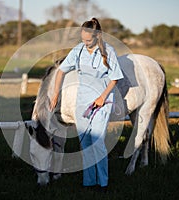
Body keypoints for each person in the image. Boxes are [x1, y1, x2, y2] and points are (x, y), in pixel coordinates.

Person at [49, 18, 124, 191]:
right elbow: (61, 71)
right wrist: (55, 94)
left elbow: (115, 78)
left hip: (101, 103)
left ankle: (103, 183)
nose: (85, 43)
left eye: (88, 40)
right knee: (85, 145)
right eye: (83, 39)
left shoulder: (108, 51)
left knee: (97, 144)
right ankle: (89, 183)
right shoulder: (78, 50)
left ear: (97, 36)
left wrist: (103, 97)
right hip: (82, 103)